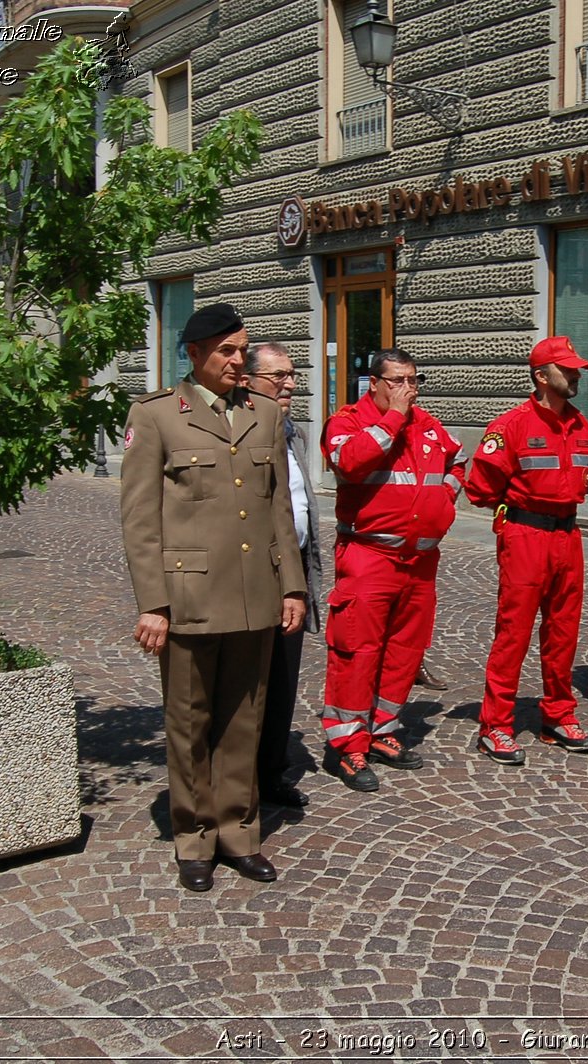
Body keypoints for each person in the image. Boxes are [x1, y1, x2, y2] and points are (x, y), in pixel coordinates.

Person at [120, 303, 307, 893]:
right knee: (190, 721)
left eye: (242, 351)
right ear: (195, 354)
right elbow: (140, 519)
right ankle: (194, 837)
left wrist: (293, 586)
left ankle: (238, 833)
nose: (238, 361)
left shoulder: (266, 416)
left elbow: (278, 508)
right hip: (189, 597)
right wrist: (153, 602)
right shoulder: (156, 417)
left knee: (244, 721)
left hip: (255, 597)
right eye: (226, 351)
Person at [320, 349, 466, 790]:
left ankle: (383, 729)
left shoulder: (428, 423)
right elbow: (349, 462)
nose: (408, 389)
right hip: (370, 555)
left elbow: (457, 461)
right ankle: (348, 747)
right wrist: (393, 420)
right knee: (357, 652)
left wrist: (444, 497)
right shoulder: (347, 421)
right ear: (375, 383)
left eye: (414, 380)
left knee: (405, 649)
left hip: (420, 561)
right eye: (399, 380)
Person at [464, 336, 588, 763]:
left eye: (576, 369)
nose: (575, 375)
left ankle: (558, 715)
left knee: (563, 633)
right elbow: (480, 488)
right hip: (525, 535)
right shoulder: (511, 426)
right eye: (567, 369)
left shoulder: (580, 424)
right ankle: (496, 725)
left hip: (568, 537)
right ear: (541, 376)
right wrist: (516, 510)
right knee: (514, 633)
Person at [245, 342, 322, 808]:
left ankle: (270, 772)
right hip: (251, 575)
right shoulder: (239, 429)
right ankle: (240, 781)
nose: (289, 384)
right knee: (246, 683)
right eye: (278, 376)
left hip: (291, 573)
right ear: (248, 379)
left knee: (282, 678)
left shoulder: (293, 432)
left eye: (292, 375)